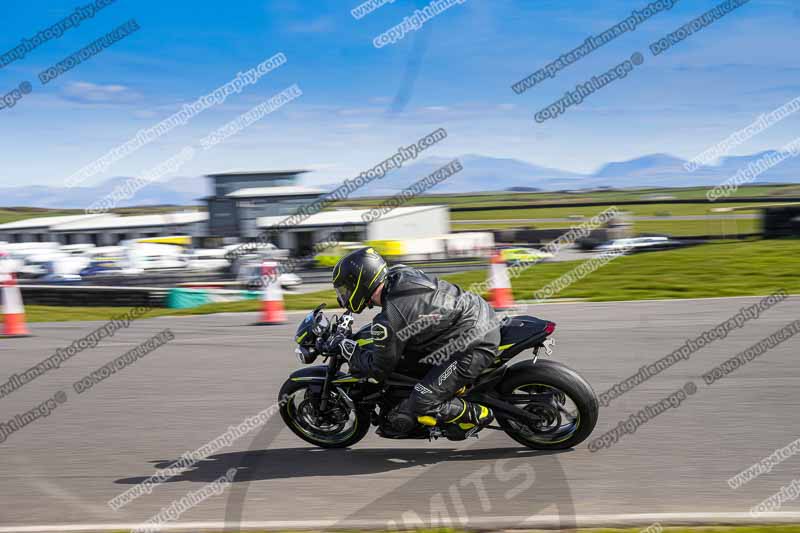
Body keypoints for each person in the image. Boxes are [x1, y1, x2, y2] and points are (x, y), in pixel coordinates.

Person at [331, 247, 497, 438]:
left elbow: (378, 370)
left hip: (474, 343)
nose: (343, 295)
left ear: (360, 281)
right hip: (475, 314)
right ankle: (452, 389)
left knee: (422, 399)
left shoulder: (390, 318)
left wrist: (351, 351)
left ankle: (478, 414)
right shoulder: (398, 274)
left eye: (346, 288)